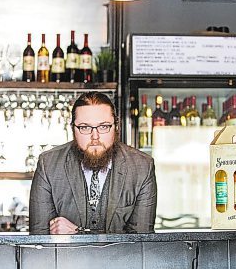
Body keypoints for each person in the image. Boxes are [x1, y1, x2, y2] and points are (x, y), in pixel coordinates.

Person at [29, 91, 157, 234]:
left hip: (124, 258)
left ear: (116, 126)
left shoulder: (142, 167)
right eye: (85, 127)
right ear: (73, 129)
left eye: (103, 126)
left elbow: (142, 245)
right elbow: (38, 244)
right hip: (64, 258)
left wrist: (79, 233)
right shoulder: (48, 165)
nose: (95, 137)